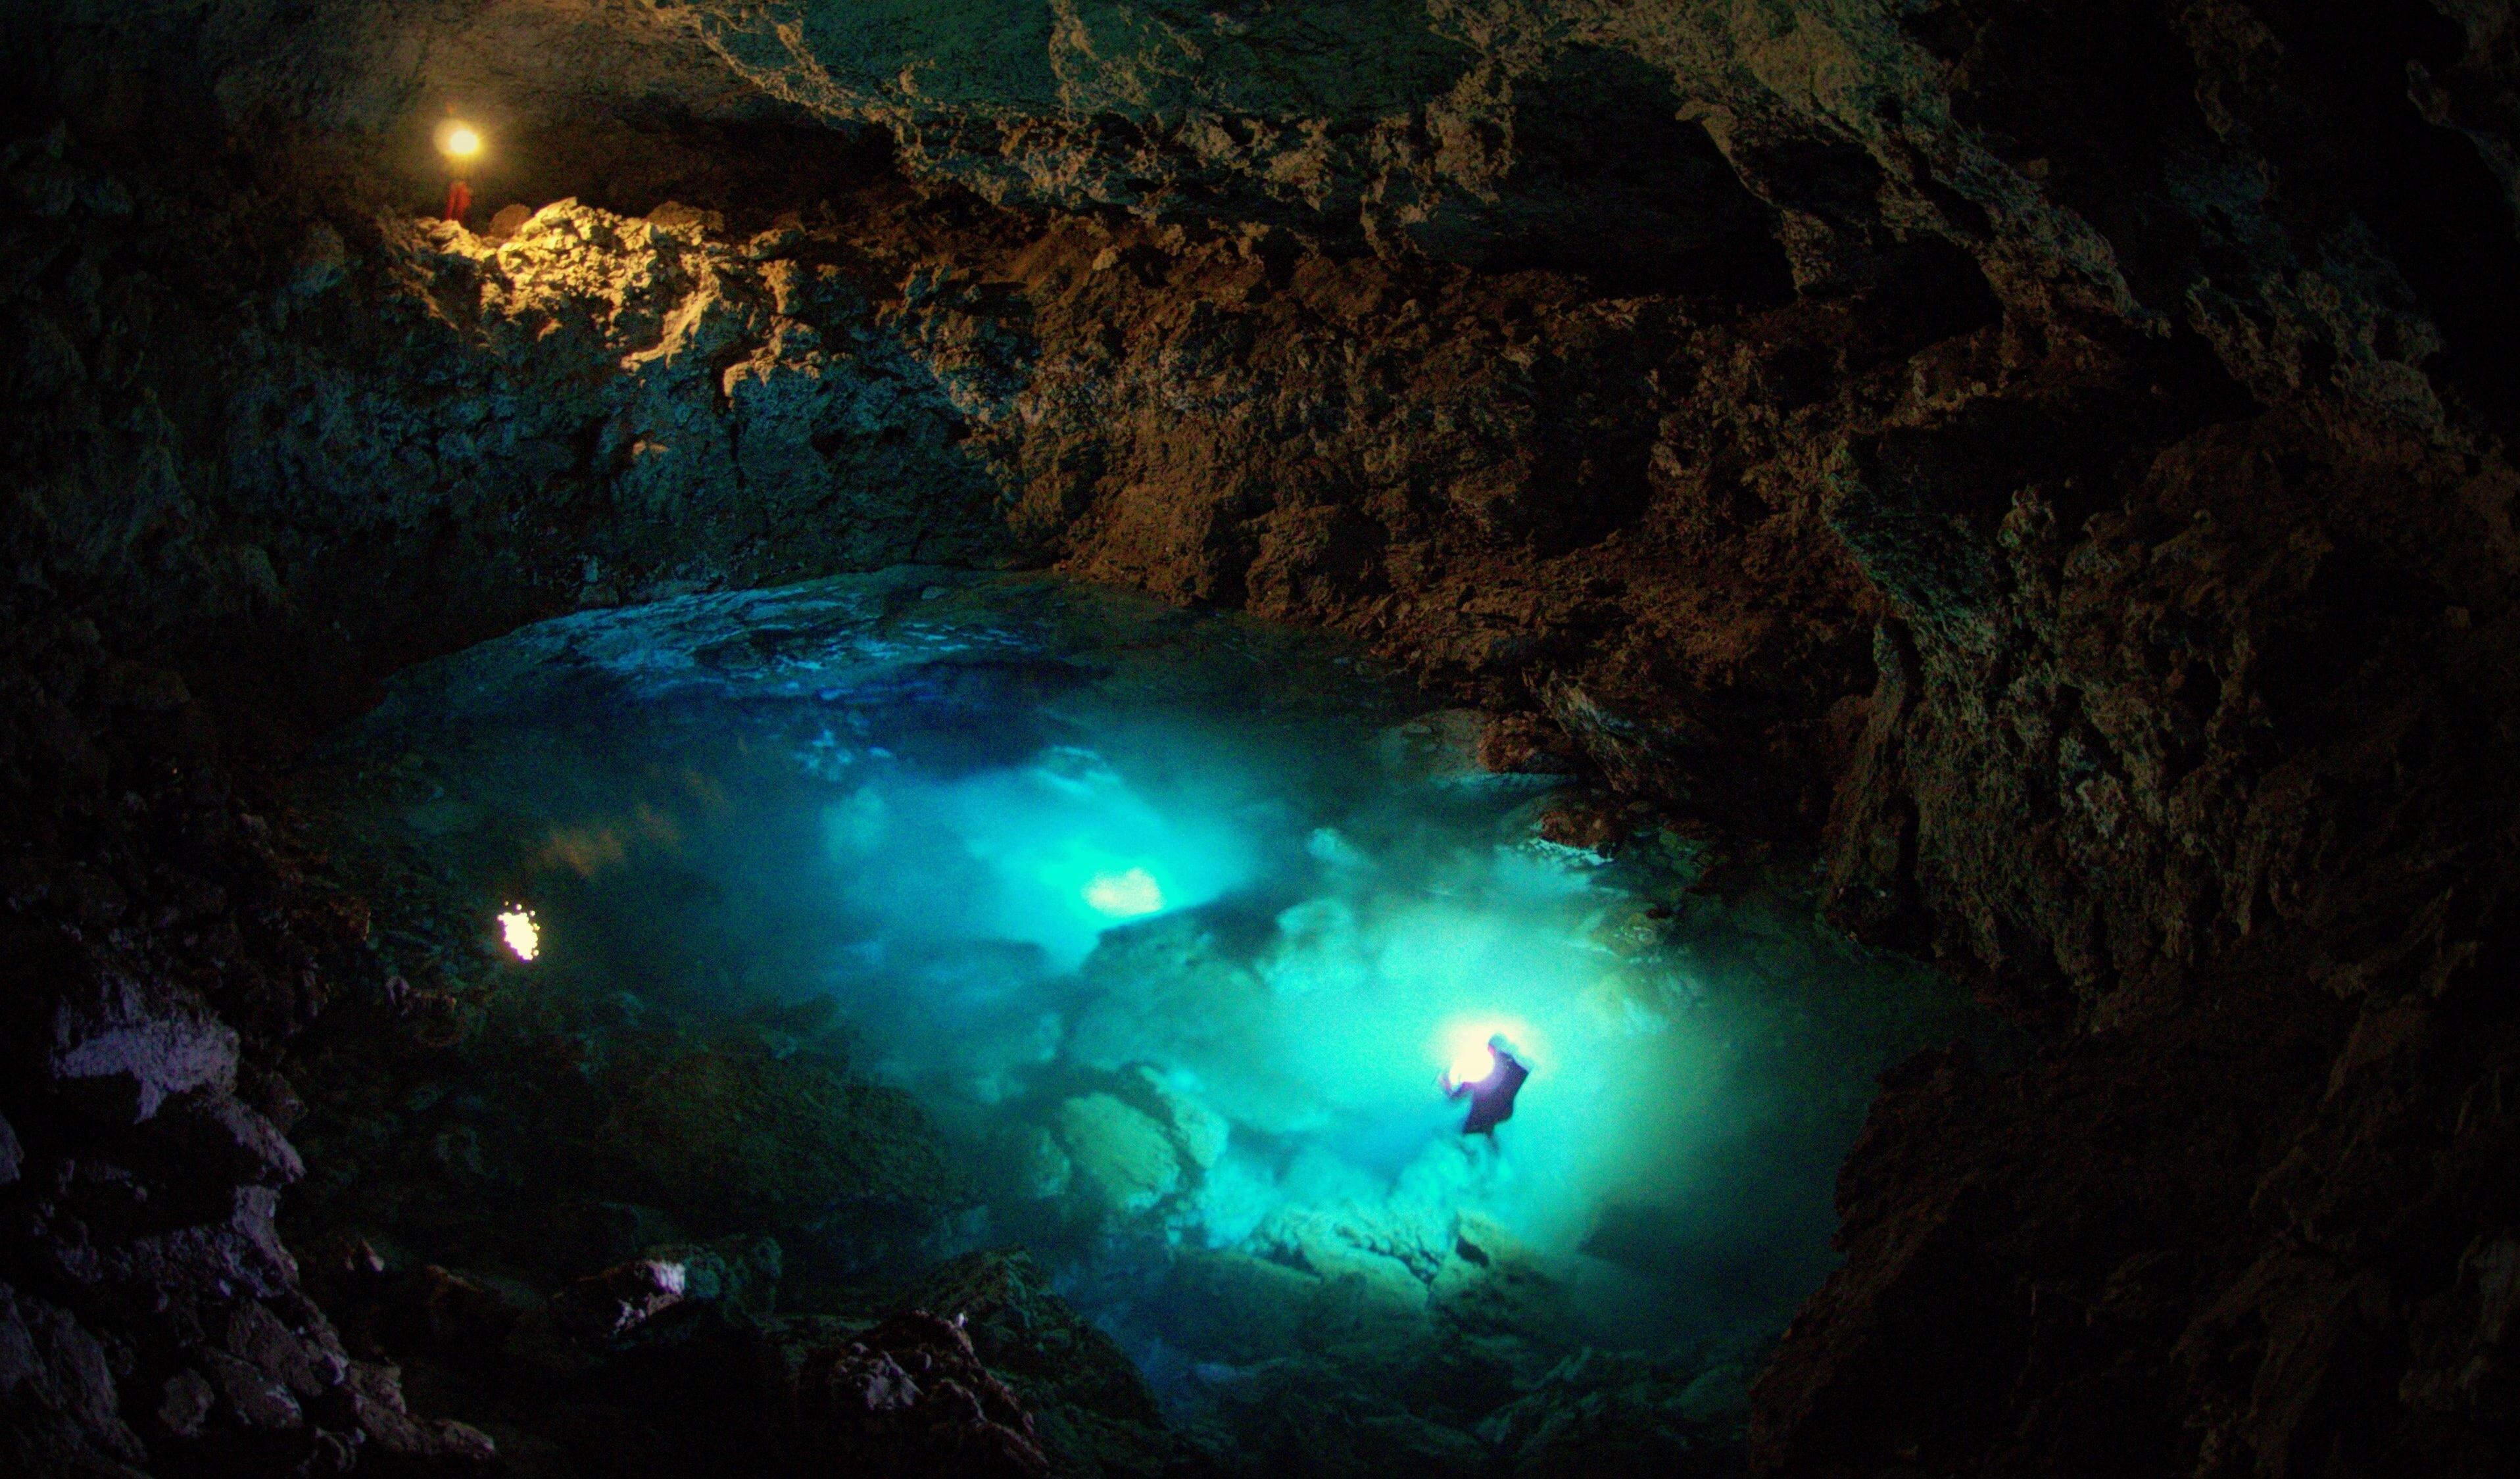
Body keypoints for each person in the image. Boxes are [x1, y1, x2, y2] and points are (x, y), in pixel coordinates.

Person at [1440, 1034, 1530, 1136]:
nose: (1489, 1051)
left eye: (1490, 1048)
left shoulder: (1503, 1061)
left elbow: (1492, 1083)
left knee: (1475, 1090)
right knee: (1476, 1090)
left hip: (1495, 1107)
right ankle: (1484, 1134)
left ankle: (1473, 1134)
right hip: (1503, 1110)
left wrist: (1464, 1087)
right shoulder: (1508, 1062)